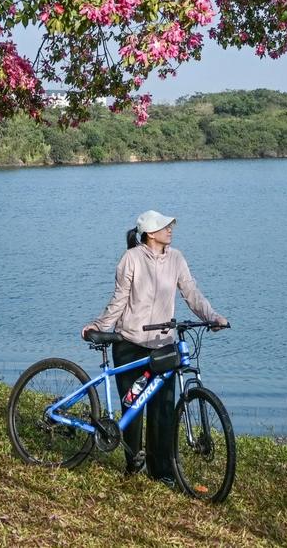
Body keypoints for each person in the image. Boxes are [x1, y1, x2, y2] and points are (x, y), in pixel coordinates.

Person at [81, 209, 228, 488]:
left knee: (162, 410)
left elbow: (191, 293)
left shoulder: (176, 258)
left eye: (170, 225)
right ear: (150, 233)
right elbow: (119, 300)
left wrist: (211, 317)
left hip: (163, 345)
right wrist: (100, 325)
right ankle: (132, 464)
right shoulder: (131, 259)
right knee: (133, 407)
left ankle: (161, 471)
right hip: (131, 343)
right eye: (164, 226)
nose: (170, 229)